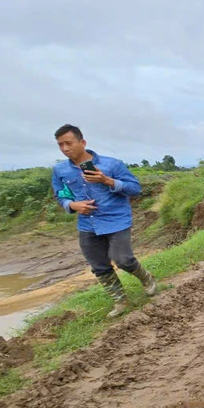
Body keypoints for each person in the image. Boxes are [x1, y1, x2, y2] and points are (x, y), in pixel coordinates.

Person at [50, 124, 157, 318]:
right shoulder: (60, 171)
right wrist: (73, 205)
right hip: (87, 224)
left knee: (123, 259)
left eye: (69, 143)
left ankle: (147, 278)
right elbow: (61, 195)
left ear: (82, 142)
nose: (65, 148)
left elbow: (135, 189)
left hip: (117, 220)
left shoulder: (112, 165)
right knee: (99, 266)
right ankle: (120, 301)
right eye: (60, 145)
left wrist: (107, 180)